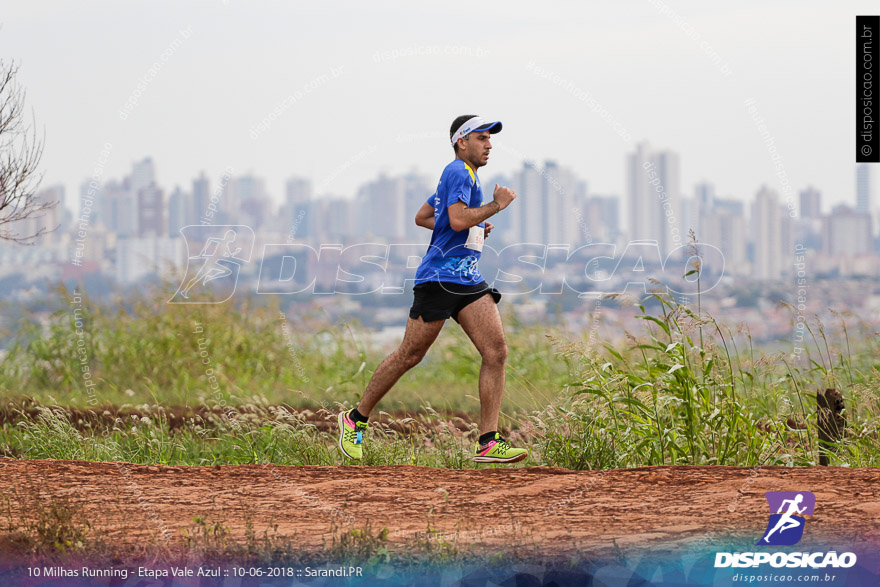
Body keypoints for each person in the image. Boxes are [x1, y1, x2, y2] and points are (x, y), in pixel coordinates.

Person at [337, 114, 528, 464]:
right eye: (482, 138)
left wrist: (475, 226)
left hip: (467, 280)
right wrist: (495, 207)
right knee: (410, 355)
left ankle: (488, 440)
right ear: (462, 142)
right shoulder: (456, 171)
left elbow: (426, 217)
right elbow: (455, 219)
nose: (489, 145)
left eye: (490, 139)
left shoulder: (467, 178)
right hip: (439, 279)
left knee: (496, 351)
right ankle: (354, 419)